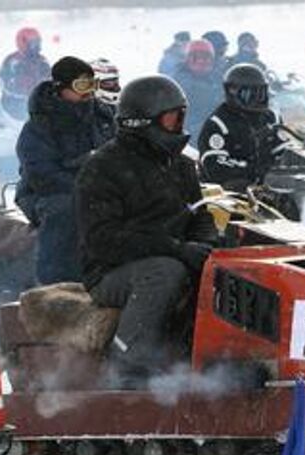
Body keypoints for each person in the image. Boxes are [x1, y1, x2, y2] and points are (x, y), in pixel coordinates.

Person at [75, 75, 217, 385]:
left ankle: (210, 362)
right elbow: (103, 241)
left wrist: (208, 247)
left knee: (224, 267)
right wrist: (176, 248)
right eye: (172, 119)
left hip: (171, 257)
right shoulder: (102, 167)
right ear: (143, 121)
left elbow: (199, 215)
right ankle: (127, 363)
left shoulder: (180, 166)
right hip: (110, 273)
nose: (179, 127)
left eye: (181, 118)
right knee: (164, 271)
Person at [15, 57, 116, 285]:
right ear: (61, 88)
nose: (88, 93)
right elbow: (41, 174)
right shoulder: (40, 125)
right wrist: (85, 182)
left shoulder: (103, 117)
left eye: (93, 85)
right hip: (47, 192)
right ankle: (58, 281)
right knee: (67, 210)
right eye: (81, 87)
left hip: (99, 186)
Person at [198, 64, 289, 193]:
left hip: (267, 185)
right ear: (233, 93)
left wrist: (283, 168)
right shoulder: (218, 124)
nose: (257, 100)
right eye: (250, 95)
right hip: (228, 193)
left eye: (261, 94)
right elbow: (215, 166)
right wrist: (253, 170)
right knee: (236, 185)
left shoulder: (270, 118)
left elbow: (283, 151)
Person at [173, 39, 222, 146]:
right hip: (190, 140)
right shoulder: (180, 83)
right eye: (195, 58)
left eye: (206, 58)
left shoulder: (217, 80)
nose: (201, 61)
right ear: (187, 60)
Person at [0, 27, 51, 120]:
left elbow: (50, 80)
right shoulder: (13, 62)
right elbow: (6, 85)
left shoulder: (42, 61)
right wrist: (28, 90)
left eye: (38, 43)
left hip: (39, 104)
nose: (37, 46)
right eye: (33, 43)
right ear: (23, 43)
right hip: (15, 104)